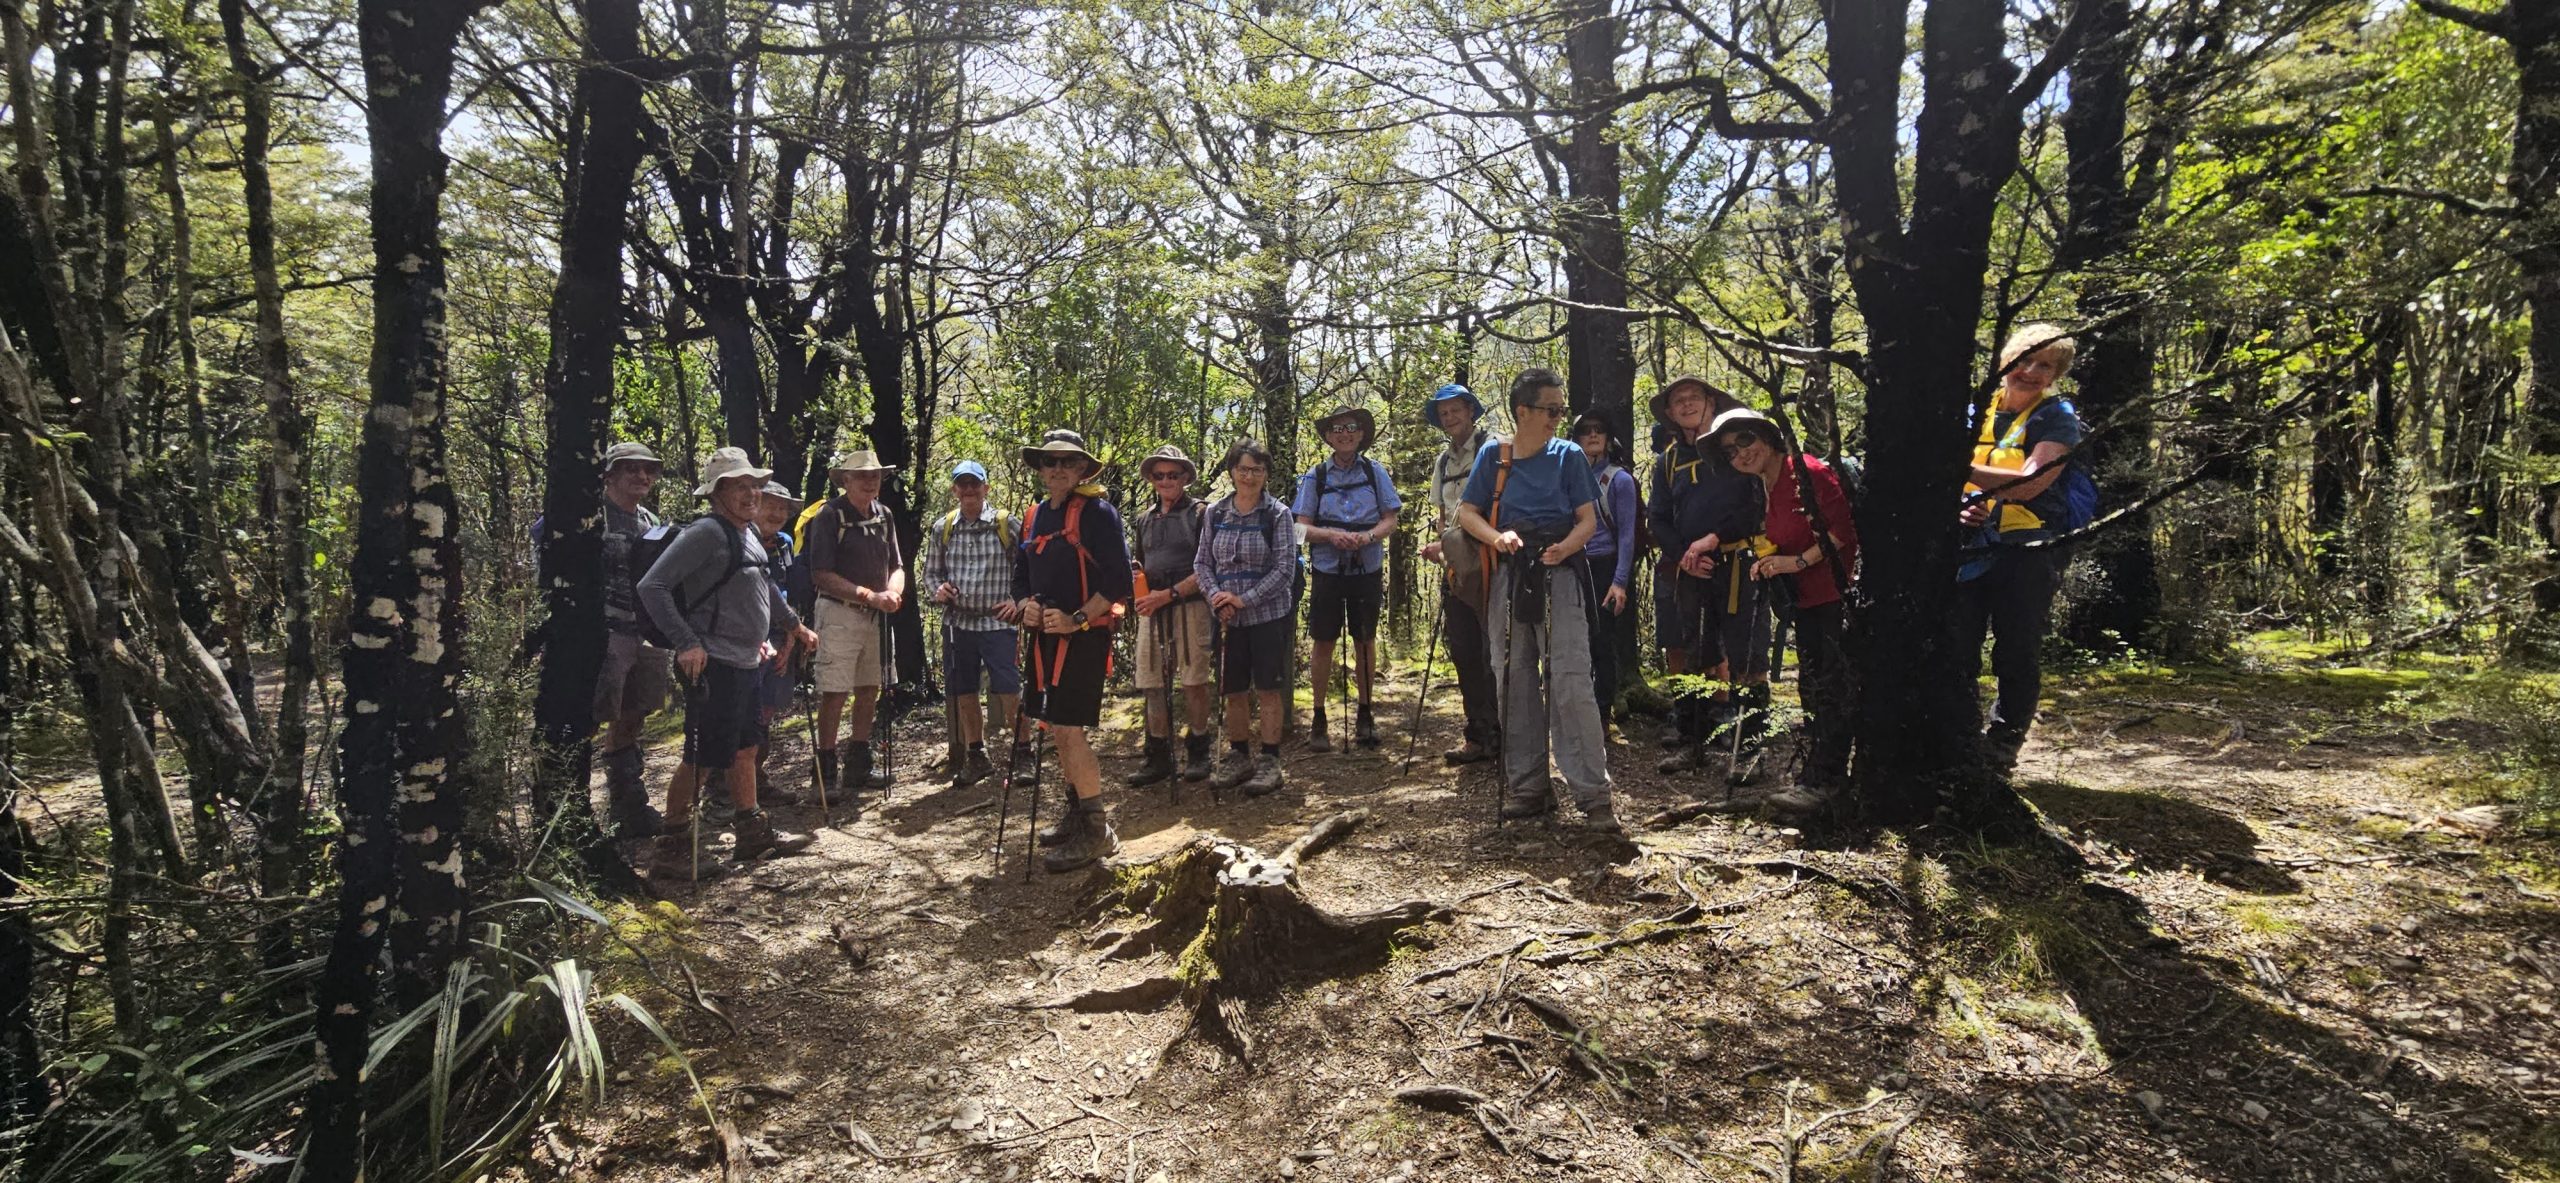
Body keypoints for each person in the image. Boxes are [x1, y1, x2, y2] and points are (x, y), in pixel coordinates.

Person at [635, 447, 822, 881]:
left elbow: (765, 587)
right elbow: (652, 586)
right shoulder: (706, 533)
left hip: (745, 659)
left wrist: (794, 627)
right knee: (701, 756)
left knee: (746, 747)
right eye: (740, 486)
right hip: (712, 663)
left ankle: (751, 830)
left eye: (754, 485)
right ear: (717, 492)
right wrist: (686, 642)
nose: (751, 493)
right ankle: (673, 846)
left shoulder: (747, 532)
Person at [1456, 369, 1620, 834]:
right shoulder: (1495, 456)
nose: (1558, 419)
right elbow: (1467, 513)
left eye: (1561, 410)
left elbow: (1587, 520)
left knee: (1570, 678)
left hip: (1561, 575)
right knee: (1513, 677)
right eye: (1551, 410)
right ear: (1522, 411)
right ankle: (1528, 788)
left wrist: (1565, 548)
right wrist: (1497, 536)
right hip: (1509, 576)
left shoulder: (1569, 455)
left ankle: (1593, 795)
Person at [1710, 409, 1859, 810]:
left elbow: (1842, 531)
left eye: (1745, 440)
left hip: (1834, 598)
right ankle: (1821, 775)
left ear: (1767, 436)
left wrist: (1796, 563)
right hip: (1805, 601)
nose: (1740, 453)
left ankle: (1827, 781)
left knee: (1831, 689)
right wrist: (1769, 563)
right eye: (1729, 451)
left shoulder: (1806, 472)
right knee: (1813, 689)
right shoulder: (1764, 484)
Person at [1957, 323, 2085, 766]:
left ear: (2055, 375)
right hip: (1969, 546)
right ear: (2005, 361)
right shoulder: (1976, 410)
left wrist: (1956, 468)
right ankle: (1959, 735)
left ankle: (2003, 743)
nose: (2030, 372)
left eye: (2044, 366)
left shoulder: (2057, 417)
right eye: (2024, 360)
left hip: (2030, 548)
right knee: (1958, 642)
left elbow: (2031, 483)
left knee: (2016, 646)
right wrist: (1959, 507)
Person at [1013, 429, 1136, 873]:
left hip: (1084, 638)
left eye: (1068, 461)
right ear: (1041, 468)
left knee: (1068, 728)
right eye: (1051, 461)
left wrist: (1077, 619)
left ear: (1083, 468)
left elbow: (1119, 581)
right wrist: (1025, 606)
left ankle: (1097, 830)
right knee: (1055, 727)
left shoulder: (1098, 514)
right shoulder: (1034, 516)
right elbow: (1021, 577)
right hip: (1044, 640)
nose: (1059, 469)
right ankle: (1077, 812)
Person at [1646, 375, 1767, 775]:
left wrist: (1715, 538)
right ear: (1669, 413)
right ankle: (1691, 742)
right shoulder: (1668, 462)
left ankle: (1750, 752)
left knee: (1747, 657)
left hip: (1739, 566)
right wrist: (1685, 556)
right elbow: (1658, 518)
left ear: (1711, 402)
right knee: (1694, 656)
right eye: (1678, 400)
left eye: (1694, 397)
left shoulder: (1736, 453)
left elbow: (1755, 505)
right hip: (1692, 571)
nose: (1686, 404)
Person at [1293, 406, 1402, 750]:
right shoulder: (1315, 476)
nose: (1345, 433)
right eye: (1337, 428)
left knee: (1364, 639)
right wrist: (1331, 536)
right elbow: (1299, 529)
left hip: (1367, 567)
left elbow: (1390, 519)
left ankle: (1365, 715)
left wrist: (1367, 537)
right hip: (1327, 569)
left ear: (1361, 433)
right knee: (1323, 640)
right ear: (1328, 436)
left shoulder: (1374, 471)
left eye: (1351, 427)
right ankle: (1319, 718)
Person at [1194, 439, 1296, 798]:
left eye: (1256, 470)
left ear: (1266, 474)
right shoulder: (1215, 513)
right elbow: (1202, 563)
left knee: (1268, 689)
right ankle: (1239, 756)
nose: (1249, 476)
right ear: (1231, 471)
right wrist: (1217, 598)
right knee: (1233, 689)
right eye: (1243, 469)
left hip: (1268, 617)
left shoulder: (1278, 514)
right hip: (1227, 620)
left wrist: (1242, 600)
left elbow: (1284, 570)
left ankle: (1270, 760)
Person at [804, 450, 905, 799]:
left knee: (869, 687)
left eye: (875, 475)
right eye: (862, 475)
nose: (870, 481)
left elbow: (897, 565)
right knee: (834, 691)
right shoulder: (829, 515)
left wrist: (892, 592)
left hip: (877, 615)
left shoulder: (884, 515)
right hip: (839, 613)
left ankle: (858, 764)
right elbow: (821, 574)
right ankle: (824, 772)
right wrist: (869, 595)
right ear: (845, 480)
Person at [923, 460, 1031, 789]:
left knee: (1009, 689)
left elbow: (1028, 569)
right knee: (964, 691)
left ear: (986, 487)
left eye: (975, 484)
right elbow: (931, 574)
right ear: (954, 489)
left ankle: (1023, 754)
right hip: (958, 622)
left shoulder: (1007, 524)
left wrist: (1017, 602)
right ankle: (977, 755)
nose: (969, 490)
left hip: (998, 623)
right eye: (963, 484)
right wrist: (938, 591)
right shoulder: (943, 527)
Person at [586, 441, 672, 836]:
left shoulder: (651, 520)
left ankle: (628, 805)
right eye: (631, 469)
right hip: (603, 632)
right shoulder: (591, 517)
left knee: (635, 712)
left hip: (647, 632)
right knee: (591, 714)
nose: (642, 476)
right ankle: (572, 808)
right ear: (609, 475)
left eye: (648, 470)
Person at [1419, 384, 1501, 764]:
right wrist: (1443, 548)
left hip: (1492, 564)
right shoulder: (1443, 462)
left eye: (1455, 410)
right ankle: (1477, 734)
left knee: (1494, 652)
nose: (1450, 418)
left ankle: (1506, 733)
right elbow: (1442, 517)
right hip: (1457, 568)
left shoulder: (1493, 449)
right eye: (1443, 413)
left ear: (1470, 411)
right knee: (1465, 652)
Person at [1127, 445, 1218, 786]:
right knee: (1152, 684)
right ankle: (1158, 754)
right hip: (1152, 610)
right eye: (1159, 475)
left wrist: (1170, 593)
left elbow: (1208, 567)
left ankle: (1199, 749)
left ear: (1185, 477)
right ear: (1151, 479)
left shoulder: (1201, 514)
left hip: (1190, 607)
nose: (1166, 481)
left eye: (1172, 475)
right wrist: (1137, 584)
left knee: (1194, 682)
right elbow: (1140, 564)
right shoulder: (1144, 519)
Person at [742, 482, 807, 809]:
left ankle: (756, 781)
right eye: (771, 505)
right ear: (755, 504)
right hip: (745, 641)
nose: (778, 513)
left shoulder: (784, 544)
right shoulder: (740, 540)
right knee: (742, 714)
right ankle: (723, 792)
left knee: (766, 711)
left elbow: (790, 592)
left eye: (784, 508)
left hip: (781, 638)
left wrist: (792, 639)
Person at [1572, 411, 1638, 729]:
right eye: (1586, 431)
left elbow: (1627, 535)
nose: (1593, 435)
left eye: (1599, 430)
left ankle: (1601, 715)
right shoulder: (1569, 478)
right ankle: (1579, 712)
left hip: (1606, 568)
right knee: (1576, 642)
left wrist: (1620, 582)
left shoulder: (1620, 480)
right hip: (1573, 565)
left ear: (1609, 438)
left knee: (1602, 643)